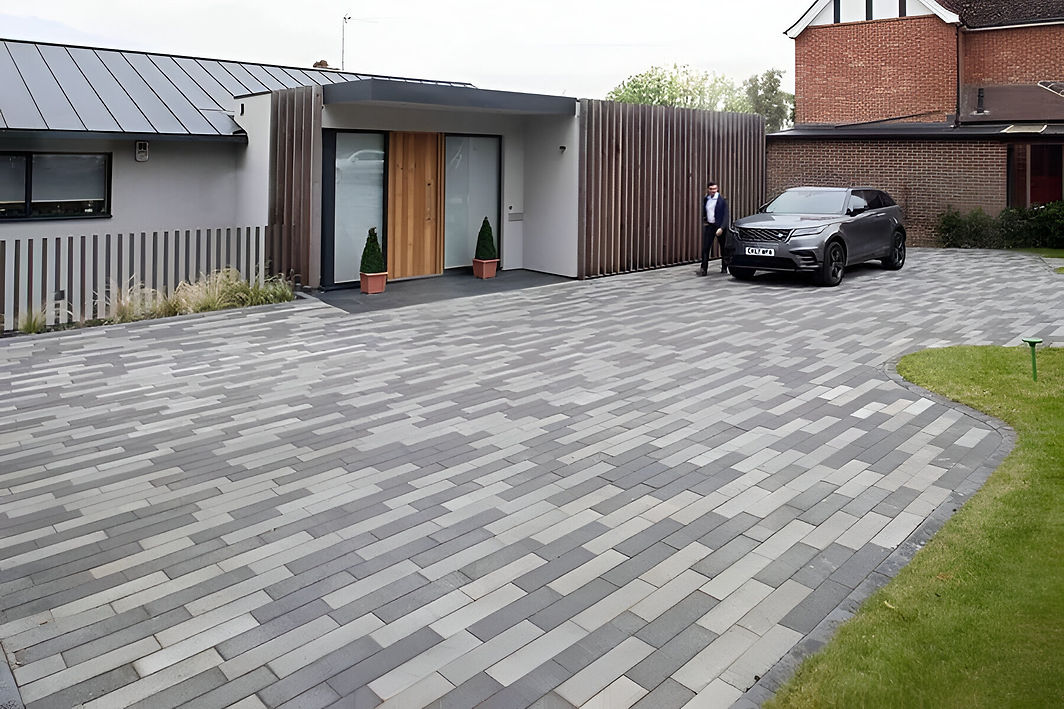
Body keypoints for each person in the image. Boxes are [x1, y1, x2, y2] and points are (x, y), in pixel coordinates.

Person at [698, 180, 730, 275]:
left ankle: (724, 267)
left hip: (720, 226)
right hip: (710, 225)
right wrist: (705, 220)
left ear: (717, 189)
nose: (713, 191)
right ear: (708, 189)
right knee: (706, 247)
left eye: (715, 189)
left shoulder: (722, 200)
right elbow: (705, 211)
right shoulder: (706, 199)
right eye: (711, 189)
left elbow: (726, 215)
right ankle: (704, 268)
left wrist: (722, 228)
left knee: (723, 247)